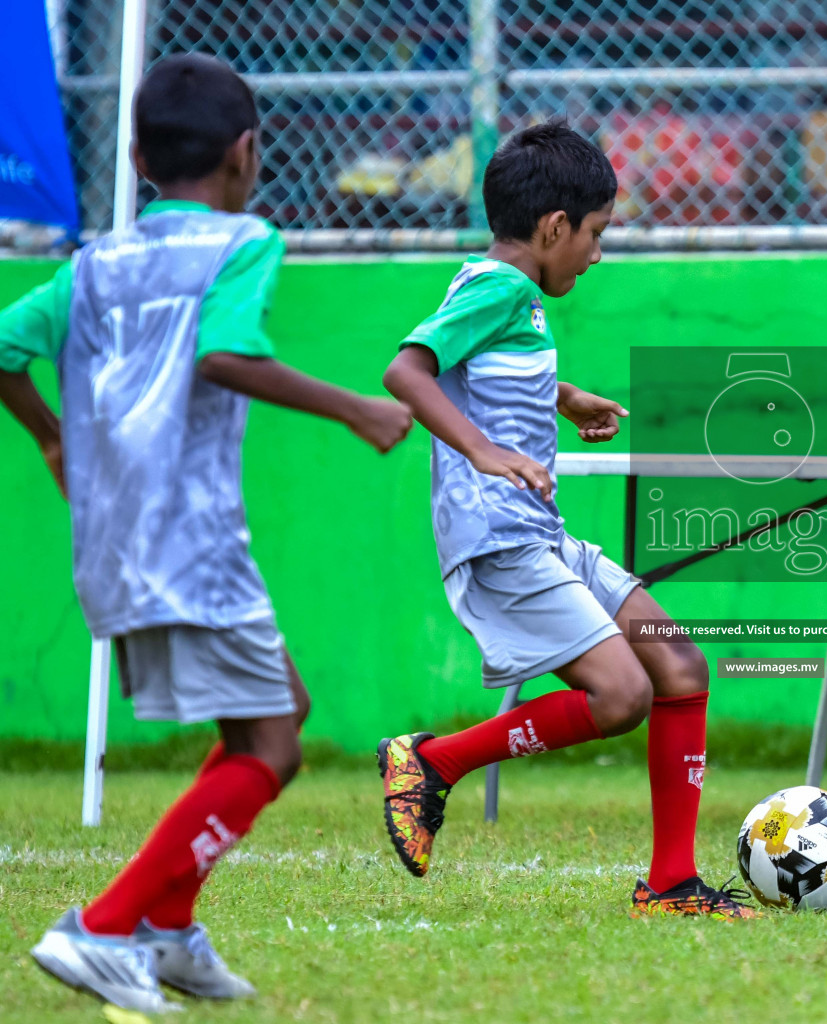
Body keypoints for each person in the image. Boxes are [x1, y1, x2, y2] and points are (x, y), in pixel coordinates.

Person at [1, 54, 413, 1013]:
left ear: (137, 155)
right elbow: (226, 356)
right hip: (192, 542)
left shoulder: (93, 263)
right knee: (273, 744)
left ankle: (171, 932)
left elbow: (5, 346)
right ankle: (104, 928)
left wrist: (53, 438)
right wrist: (355, 408)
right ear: (247, 152)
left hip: (115, 542)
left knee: (276, 716)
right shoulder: (244, 241)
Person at [377, 122, 753, 919]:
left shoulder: (506, 293)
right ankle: (433, 763)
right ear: (554, 229)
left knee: (679, 667)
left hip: (540, 533)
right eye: (596, 234)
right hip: (501, 539)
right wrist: (481, 450)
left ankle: (671, 885)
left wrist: (566, 396)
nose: (597, 252)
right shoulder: (499, 288)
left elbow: (493, 361)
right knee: (621, 695)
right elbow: (407, 370)